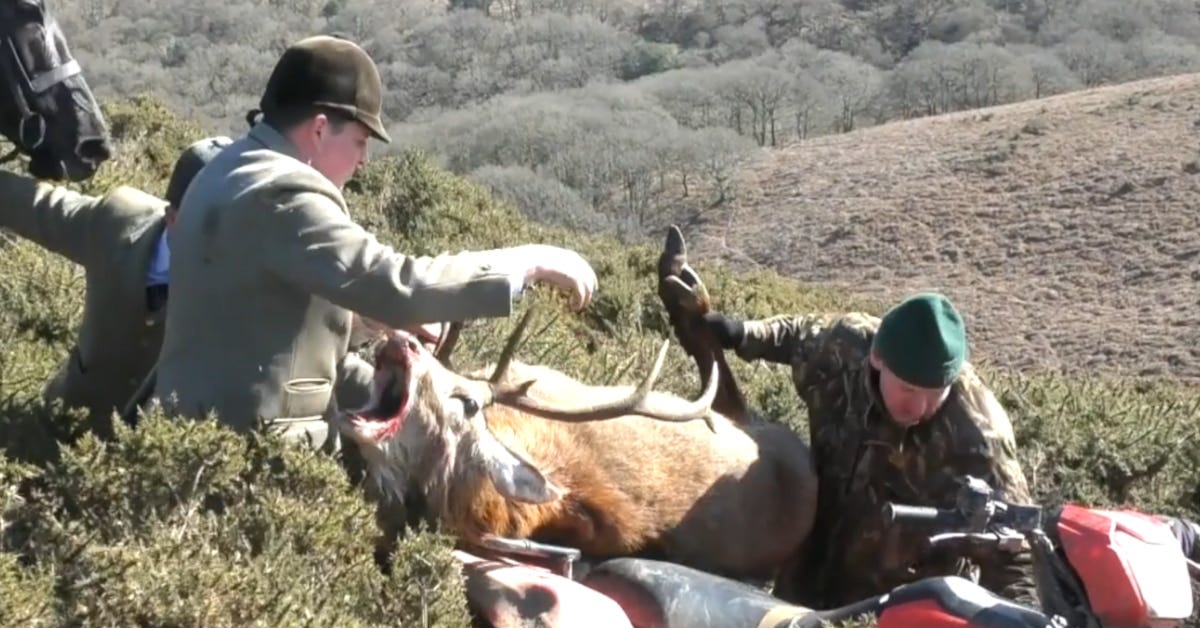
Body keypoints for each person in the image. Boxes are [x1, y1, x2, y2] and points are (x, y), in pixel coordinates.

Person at [148, 35, 599, 453]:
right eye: (361, 140)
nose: (364, 161)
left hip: (192, 440)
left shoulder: (223, 169)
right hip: (256, 457)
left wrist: (366, 323)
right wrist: (523, 263)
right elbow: (396, 282)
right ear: (321, 129)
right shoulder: (284, 192)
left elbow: (259, 320)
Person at [661, 253, 1035, 607]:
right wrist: (741, 333)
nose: (919, 408)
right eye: (907, 389)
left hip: (896, 609)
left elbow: (1015, 552)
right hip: (806, 577)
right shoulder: (848, 346)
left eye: (935, 394)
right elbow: (797, 335)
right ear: (877, 358)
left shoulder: (980, 437)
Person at [0, 136, 231, 438]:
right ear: (172, 217)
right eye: (208, 226)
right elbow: (41, 209)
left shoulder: (249, 277)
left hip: (161, 458)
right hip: (62, 423)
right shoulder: (119, 221)